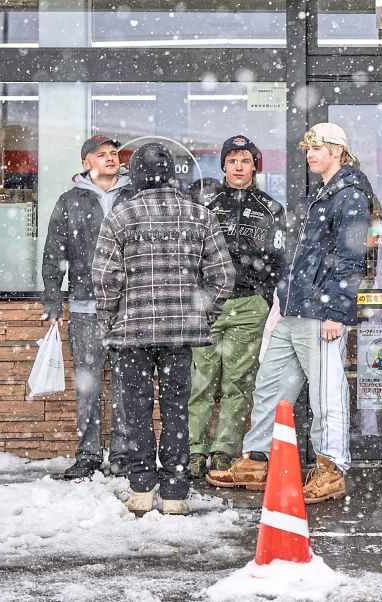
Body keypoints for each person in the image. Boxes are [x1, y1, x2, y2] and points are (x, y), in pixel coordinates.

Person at [206, 123, 372, 505]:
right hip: (292, 308)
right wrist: (283, 297)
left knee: (326, 391)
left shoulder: (350, 193)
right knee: (269, 385)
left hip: (320, 313)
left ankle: (332, 468)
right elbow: (300, 256)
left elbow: (350, 258)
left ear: (338, 151)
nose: (310, 154)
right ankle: (259, 458)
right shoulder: (323, 194)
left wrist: (337, 311)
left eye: (318, 148)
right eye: (308, 148)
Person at [92, 142, 235, 516]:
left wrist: (109, 320)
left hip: (132, 331)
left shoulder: (121, 216)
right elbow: (223, 276)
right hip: (180, 334)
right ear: (171, 174)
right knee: (177, 410)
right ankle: (175, 491)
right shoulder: (199, 214)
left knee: (135, 410)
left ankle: (141, 487)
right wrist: (203, 315)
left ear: (136, 175)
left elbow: (105, 278)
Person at [187, 136, 286, 480]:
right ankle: (194, 451)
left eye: (245, 160)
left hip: (249, 305)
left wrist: (264, 295)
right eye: (232, 161)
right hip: (208, 304)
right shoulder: (205, 204)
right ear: (224, 166)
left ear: (255, 165)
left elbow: (278, 260)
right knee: (200, 381)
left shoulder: (271, 208)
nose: (239, 167)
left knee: (237, 383)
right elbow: (190, 254)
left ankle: (222, 452)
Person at [41, 134, 134, 480]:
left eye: (114, 153)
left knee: (127, 383)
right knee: (88, 384)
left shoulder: (133, 195)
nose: (111, 158)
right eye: (102, 154)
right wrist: (52, 298)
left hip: (127, 304)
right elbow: (54, 252)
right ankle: (89, 454)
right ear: (86, 163)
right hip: (84, 305)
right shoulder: (70, 201)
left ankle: (124, 454)